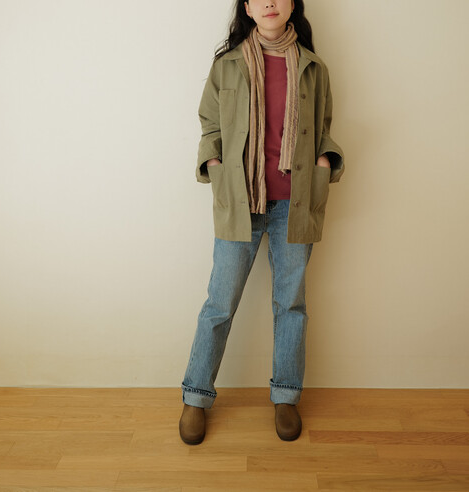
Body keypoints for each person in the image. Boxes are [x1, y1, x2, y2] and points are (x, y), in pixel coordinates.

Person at [179, 0, 345, 445]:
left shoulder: (313, 67)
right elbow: (209, 125)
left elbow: (323, 127)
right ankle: (195, 396)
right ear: (248, 8)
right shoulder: (227, 65)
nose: (269, 1)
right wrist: (214, 164)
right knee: (219, 303)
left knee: (290, 304)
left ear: (292, 5)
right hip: (241, 200)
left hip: (295, 200)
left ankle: (286, 395)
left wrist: (325, 161)